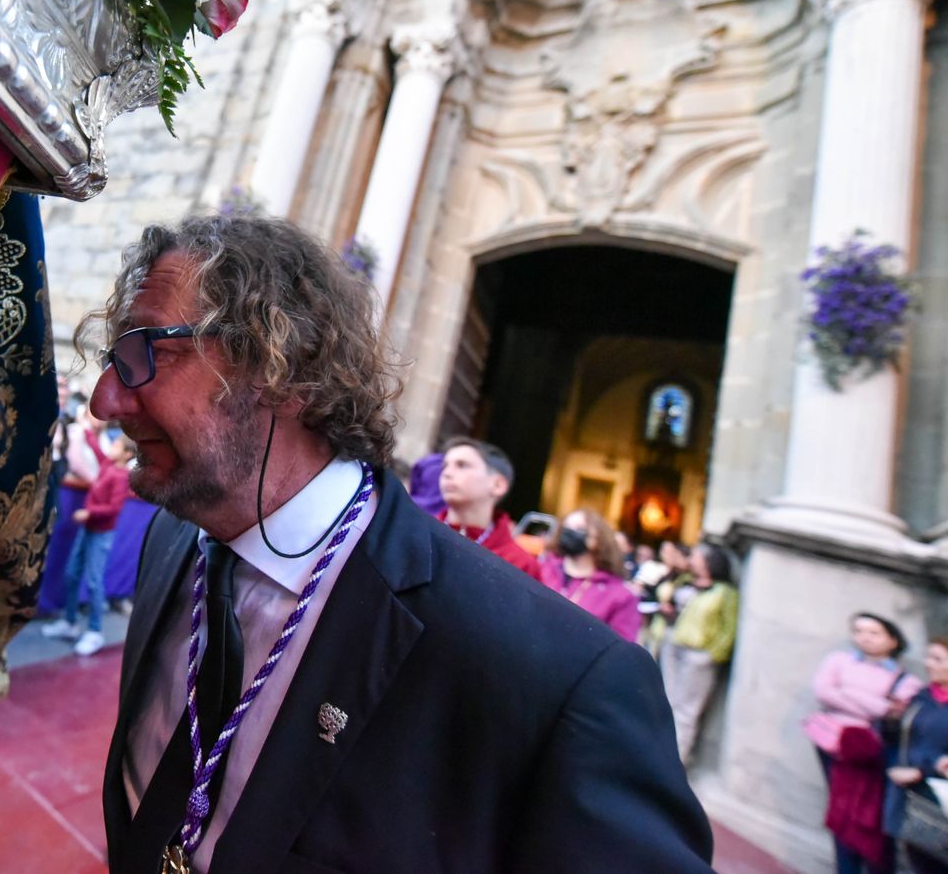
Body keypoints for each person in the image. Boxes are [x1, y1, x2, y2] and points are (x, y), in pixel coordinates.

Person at [86, 214, 711, 872]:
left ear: (280, 363)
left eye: (143, 351)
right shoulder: (170, 538)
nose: (106, 401)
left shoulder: (557, 684)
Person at [806, 612, 923, 874]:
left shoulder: (906, 680)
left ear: (892, 640)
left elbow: (896, 712)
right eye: (859, 631)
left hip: (869, 752)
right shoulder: (838, 660)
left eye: (874, 633)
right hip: (831, 744)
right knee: (840, 811)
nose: (864, 638)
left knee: (867, 817)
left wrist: (846, 693)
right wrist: (878, 704)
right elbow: (824, 691)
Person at [43, 439, 136, 655]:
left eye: (116, 446)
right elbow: (94, 446)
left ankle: (95, 631)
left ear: (126, 454)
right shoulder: (107, 465)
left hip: (101, 533)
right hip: (88, 529)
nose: (111, 447)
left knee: (94, 581)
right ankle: (70, 622)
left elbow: (114, 509)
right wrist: (86, 424)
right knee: (71, 574)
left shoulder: (121, 476)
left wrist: (89, 512)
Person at [661, 542, 739, 764]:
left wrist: (712, 655)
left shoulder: (725, 592)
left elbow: (728, 629)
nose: (692, 559)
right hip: (673, 645)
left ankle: (674, 764)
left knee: (686, 712)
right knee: (667, 702)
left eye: (696, 556)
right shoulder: (685, 582)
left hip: (699, 657)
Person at [436, 437, 540, 581]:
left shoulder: (521, 565)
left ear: (498, 485)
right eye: (444, 466)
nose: (446, 473)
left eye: (462, 465)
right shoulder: (418, 533)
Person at [885, 638, 948, 874]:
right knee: (919, 862)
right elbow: (905, 740)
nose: (928, 664)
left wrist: (924, 769)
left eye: (938, 659)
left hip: (940, 796)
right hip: (914, 797)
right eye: (928, 657)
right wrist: (892, 720)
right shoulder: (922, 697)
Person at [539, 507, 642, 641]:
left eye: (579, 528)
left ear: (597, 539)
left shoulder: (620, 595)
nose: (570, 532)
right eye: (567, 527)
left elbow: (621, 649)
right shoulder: (543, 570)